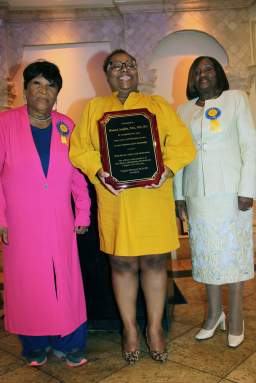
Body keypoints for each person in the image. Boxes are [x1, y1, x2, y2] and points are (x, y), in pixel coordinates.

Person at [69, 49, 196, 364]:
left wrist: (165, 170)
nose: (124, 69)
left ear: (137, 71)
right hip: (116, 200)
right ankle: (129, 329)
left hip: (151, 197)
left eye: (130, 64)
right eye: (116, 65)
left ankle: (154, 328)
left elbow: (183, 145)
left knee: (154, 262)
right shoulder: (95, 108)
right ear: (106, 73)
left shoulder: (157, 106)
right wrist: (98, 170)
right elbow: (79, 149)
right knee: (122, 264)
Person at [0, 60, 91, 366]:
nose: (43, 90)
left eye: (50, 85)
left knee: (65, 281)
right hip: (19, 221)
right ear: (25, 89)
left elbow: (78, 175)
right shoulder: (5, 123)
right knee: (28, 283)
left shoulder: (67, 125)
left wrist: (83, 213)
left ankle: (71, 343)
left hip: (59, 220)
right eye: (36, 83)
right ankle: (35, 345)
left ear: (57, 93)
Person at [174, 56, 256, 348]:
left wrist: (248, 188)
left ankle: (235, 316)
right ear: (192, 80)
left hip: (232, 194)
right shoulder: (183, 111)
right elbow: (179, 157)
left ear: (218, 74)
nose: (202, 74)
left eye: (208, 68)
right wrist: (179, 196)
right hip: (198, 196)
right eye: (197, 71)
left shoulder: (236, 99)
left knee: (233, 256)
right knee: (206, 256)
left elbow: (250, 144)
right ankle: (213, 315)